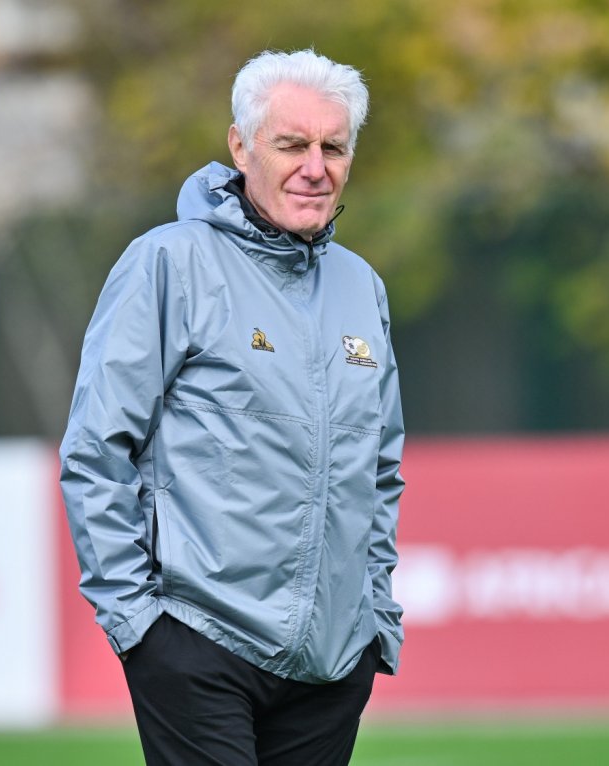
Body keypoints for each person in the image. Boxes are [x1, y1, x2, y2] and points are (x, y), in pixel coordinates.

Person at [60, 48, 405, 765]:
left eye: (333, 146)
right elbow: (97, 451)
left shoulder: (361, 286)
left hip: (333, 664)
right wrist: (140, 627)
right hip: (198, 643)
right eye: (292, 144)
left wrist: (376, 619)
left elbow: (380, 469)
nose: (316, 166)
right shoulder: (168, 264)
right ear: (240, 146)